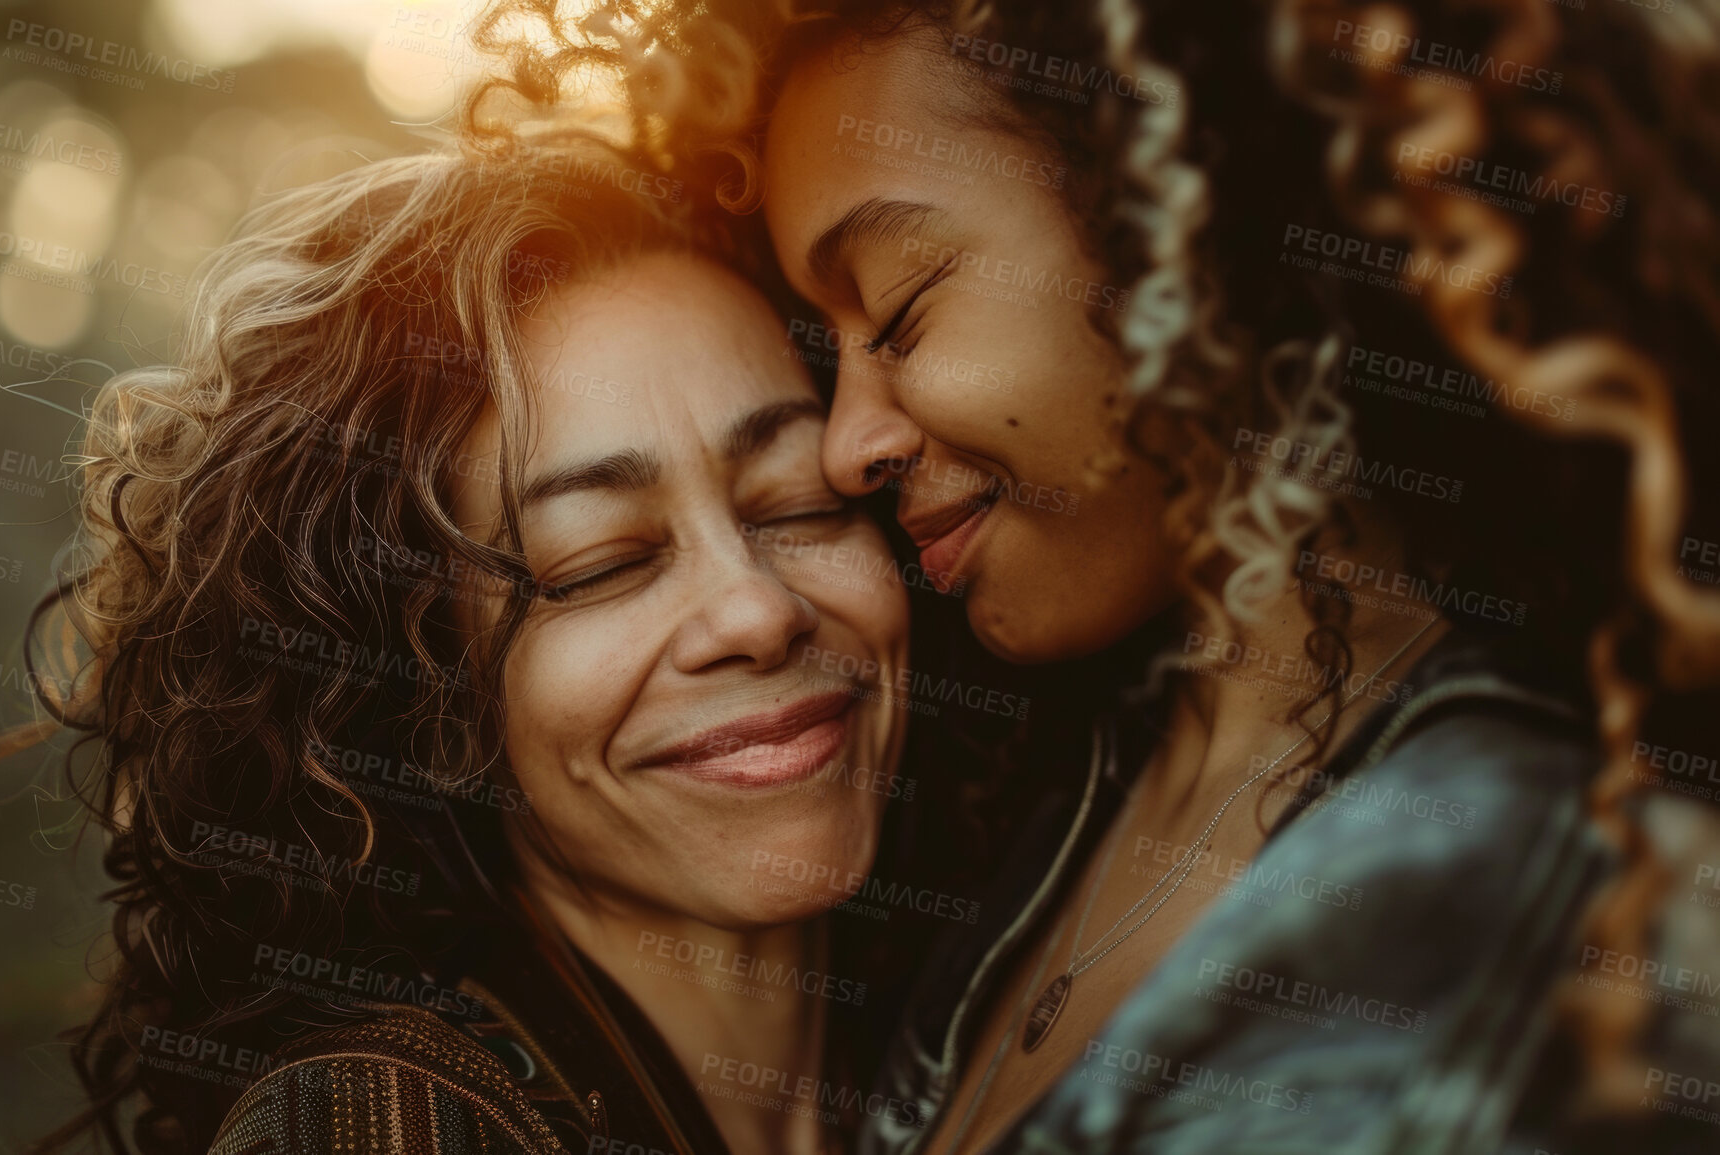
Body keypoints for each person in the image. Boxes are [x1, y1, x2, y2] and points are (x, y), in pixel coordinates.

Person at [480, 0, 1720, 1151]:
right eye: (825, 352)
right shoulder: (1042, 780)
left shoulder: (1513, 876)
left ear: (1188, 228)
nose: (847, 446)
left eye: (900, 312)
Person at [8, 140, 910, 1155]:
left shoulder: (998, 1025)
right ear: (426, 695)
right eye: (598, 563)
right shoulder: (374, 1130)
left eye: (800, 499)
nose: (756, 609)